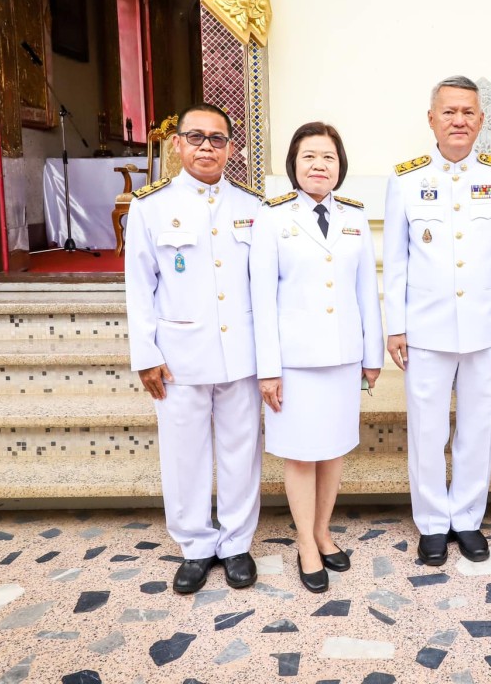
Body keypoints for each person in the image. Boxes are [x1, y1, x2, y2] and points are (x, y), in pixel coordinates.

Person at [383, 75, 491, 566]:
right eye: (449, 112)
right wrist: (395, 325)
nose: (459, 120)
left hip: (487, 327)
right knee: (427, 430)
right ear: (431, 119)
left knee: (478, 427)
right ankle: (431, 522)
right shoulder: (406, 179)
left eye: (468, 112)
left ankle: (466, 518)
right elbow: (396, 261)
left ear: (481, 120)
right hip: (426, 329)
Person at [124, 102, 264, 594]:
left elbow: (260, 288)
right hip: (179, 355)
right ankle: (195, 546)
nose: (207, 146)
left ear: (231, 147)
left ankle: (236, 543)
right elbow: (139, 286)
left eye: (218, 138)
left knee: (240, 449)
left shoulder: (252, 207)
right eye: (197, 137)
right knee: (184, 453)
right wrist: (145, 354)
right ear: (178, 143)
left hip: (240, 354)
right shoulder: (150, 206)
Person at [251, 122, 384, 594]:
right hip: (294, 363)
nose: (319, 165)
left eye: (328, 157)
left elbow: (367, 291)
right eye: (309, 157)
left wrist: (373, 355)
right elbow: (261, 299)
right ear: (294, 165)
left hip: (344, 358)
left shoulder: (354, 219)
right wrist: (268, 369)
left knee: (333, 451)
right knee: (301, 455)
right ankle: (306, 542)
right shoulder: (272, 219)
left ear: (340, 166)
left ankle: (324, 530)